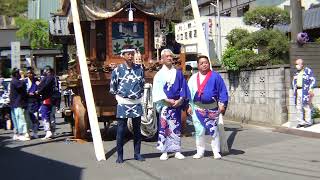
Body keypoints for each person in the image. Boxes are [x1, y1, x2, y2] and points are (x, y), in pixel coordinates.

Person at [187, 55, 228, 159]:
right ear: (198, 65)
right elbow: (189, 93)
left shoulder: (215, 76)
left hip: (212, 108)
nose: (204, 64)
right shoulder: (193, 78)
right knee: (199, 131)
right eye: (202, 63)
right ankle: (200, 151)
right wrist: (189, 106)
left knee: (213, 131)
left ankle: (216, 151)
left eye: (206, 62)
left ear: (209, 64)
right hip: (197, 108)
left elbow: (222, 91)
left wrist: (222, 104)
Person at [152, 49, 190, 160]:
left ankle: (176, 150)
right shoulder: (159, 75)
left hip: (176, 104)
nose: (169, 58)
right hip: (165, 105)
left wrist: (181, 99)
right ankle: (164, 151)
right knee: (164, 127)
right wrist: (166, 99)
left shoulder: (178, 72)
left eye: (171, 56)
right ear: (162, 59)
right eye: (167, 56)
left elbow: (183, 87)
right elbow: (157, 90)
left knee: (176, 127)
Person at [110, 47, 145, 163]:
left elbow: (142, 85)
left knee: (137, 130)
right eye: (128, 54)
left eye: (132, 54)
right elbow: (113, 87)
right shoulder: (117, 70)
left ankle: (137, 153)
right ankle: (120, 156)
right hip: (123, 103)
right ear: (123, 55)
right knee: (120, 130)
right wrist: (119, 98)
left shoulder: (140, 69)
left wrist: (140, 97)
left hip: (136, 103)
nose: (130, 56)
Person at [292, 58, 316, 128]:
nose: (296, 65)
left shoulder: (307, 71)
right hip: (297, 91)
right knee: (298, 107)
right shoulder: (297, 72)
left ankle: (308, 122)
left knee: (306, 106)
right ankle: (301, 122)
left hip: (305, 91)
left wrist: (310, 89)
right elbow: (294, 82)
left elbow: (313, 80)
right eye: (295, 64)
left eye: (297, 64)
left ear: (301, 64)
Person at [10, 68, 30, 141]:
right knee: (20, 119)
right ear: (16, 74)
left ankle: (17, 133)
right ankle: (23, 134)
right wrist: (23, 78)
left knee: (16, 119)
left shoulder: (14, 81)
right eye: (19, 73)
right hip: (17, 103)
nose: (20, 74)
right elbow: (21, 85)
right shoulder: (15, 81)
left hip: (15, 103)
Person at [37, 66, 56, 140]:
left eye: (45, 71)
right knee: (51, 115)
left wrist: (38, 91)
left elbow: (44, 86)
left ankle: (48, 131)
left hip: (47, 98)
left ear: (47, 71)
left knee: (45, 114)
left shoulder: (49, 77)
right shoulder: (54, 78)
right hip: (53, 98)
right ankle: (52, 132)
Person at [24, 67, 40, 138]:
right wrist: (27, 93)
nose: (29, 74)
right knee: (27, 119)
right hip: (27, 102)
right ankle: (27, 133)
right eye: (28, 73)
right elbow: (22, 92)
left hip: (35, 102)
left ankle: (35, 132)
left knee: (35, 118)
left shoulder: (36, 81)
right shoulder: (24, 82)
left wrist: (37, 91)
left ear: (33, 74)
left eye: (31, 73)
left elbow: (40, 89)